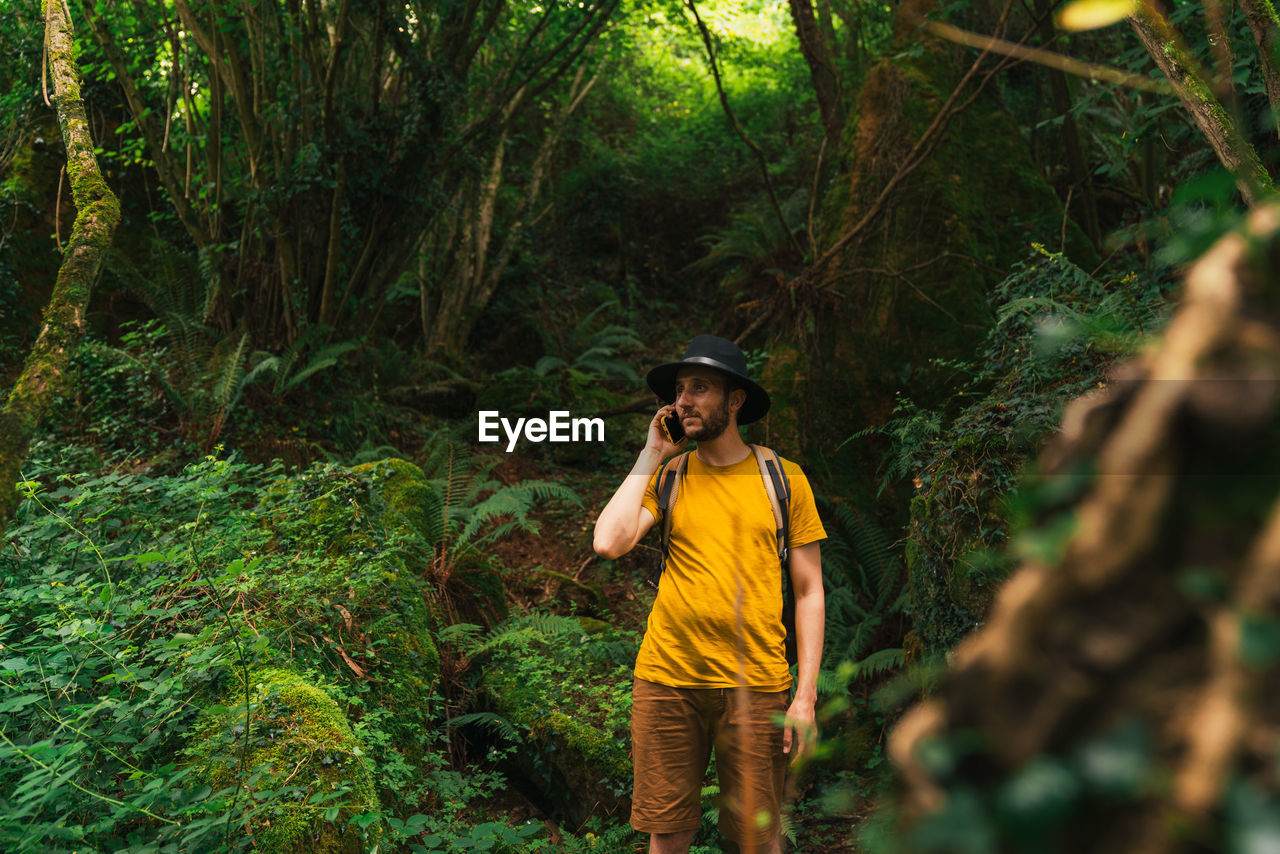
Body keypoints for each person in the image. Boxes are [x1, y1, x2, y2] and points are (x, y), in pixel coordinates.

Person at [593, 334, 827, 854]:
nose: (683, 400)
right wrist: (652, 452)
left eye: (700, 387)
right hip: (667, 681)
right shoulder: (669, 476)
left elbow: (810, 591)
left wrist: (805, 696)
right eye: (679, 389)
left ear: (735, 399)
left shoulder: (783, 480)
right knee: (668, 833)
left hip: (756, 685)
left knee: (754, 839)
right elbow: (608, 542)